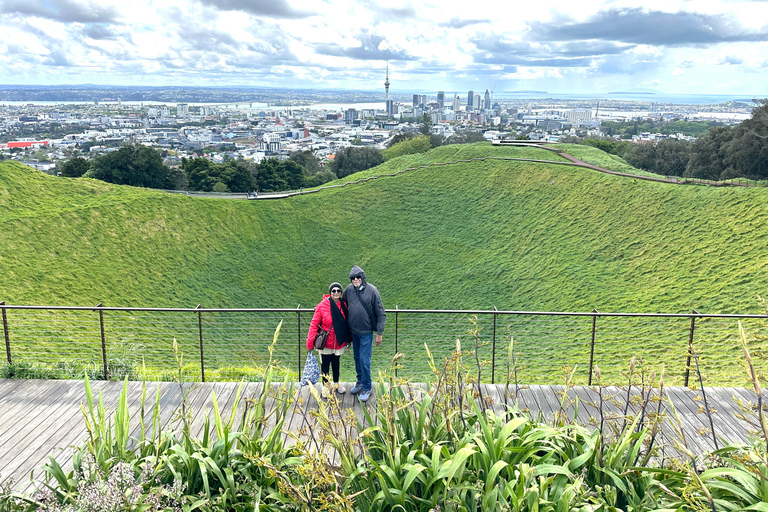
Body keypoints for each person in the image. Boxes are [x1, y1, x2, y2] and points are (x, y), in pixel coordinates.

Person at [343, 265, 386, 402]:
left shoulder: (372, 291)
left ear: (363, 278)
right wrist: (324, 305)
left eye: (358, 277)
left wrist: (379, 333)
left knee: (364, 360)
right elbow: (341, 305)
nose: (355, 280)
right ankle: (360, 381)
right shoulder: (349, 290)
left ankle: (367, 387)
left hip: (366, 333)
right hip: (353, 332)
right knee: (357, 358)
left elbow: (380, 312)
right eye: (353, 278)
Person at [306, 282, 351, 396]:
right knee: (325, 365)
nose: (336, 293)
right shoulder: (322, 306)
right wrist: (310, 342)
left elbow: (347, 322)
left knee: (336, 363)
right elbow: (314, 324)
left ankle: (336, 383)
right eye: (333, 291)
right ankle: (325, 387)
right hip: (326, 342)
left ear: (341, 293)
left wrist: (348, 339)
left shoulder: (343, 305)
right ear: (330, 292)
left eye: (338, 291)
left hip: (338, 342)